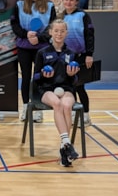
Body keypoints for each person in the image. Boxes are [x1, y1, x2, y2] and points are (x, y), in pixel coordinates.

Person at [33, 19, 82, 167]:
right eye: (56, 31)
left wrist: (72, 75)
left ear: (66, 33)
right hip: (46, 89)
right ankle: (67, 143)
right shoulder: (42, 53)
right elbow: (35, 77)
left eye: (62, 31)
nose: (59, 34)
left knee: (66, 105)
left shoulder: (71, 54)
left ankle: (64, 148)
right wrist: (42, 75)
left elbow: (75, 81)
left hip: (66, 89)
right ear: (50, 32)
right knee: (57, 103)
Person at [11, 0, 56, 123]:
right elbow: (15, 25)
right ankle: (25, 108)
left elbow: (52, 26)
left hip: (41, 48)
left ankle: (37, 109)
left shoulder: (50, 5)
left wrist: (40, 37)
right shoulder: (19, 5)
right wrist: (26, 34)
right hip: (24, 47)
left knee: (39, 78)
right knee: (25, 77)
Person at [59, 0, 95, 126]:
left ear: (76, 2)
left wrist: (89, 54)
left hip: (81, 56)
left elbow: (89, 35)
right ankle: (73, 112)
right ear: (63, 1)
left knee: (80, 86)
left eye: (71, 0)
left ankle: (85, 115)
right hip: (66, 57)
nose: (68, 2)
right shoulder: (60, 17)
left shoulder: (82, 15)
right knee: (69, 86)